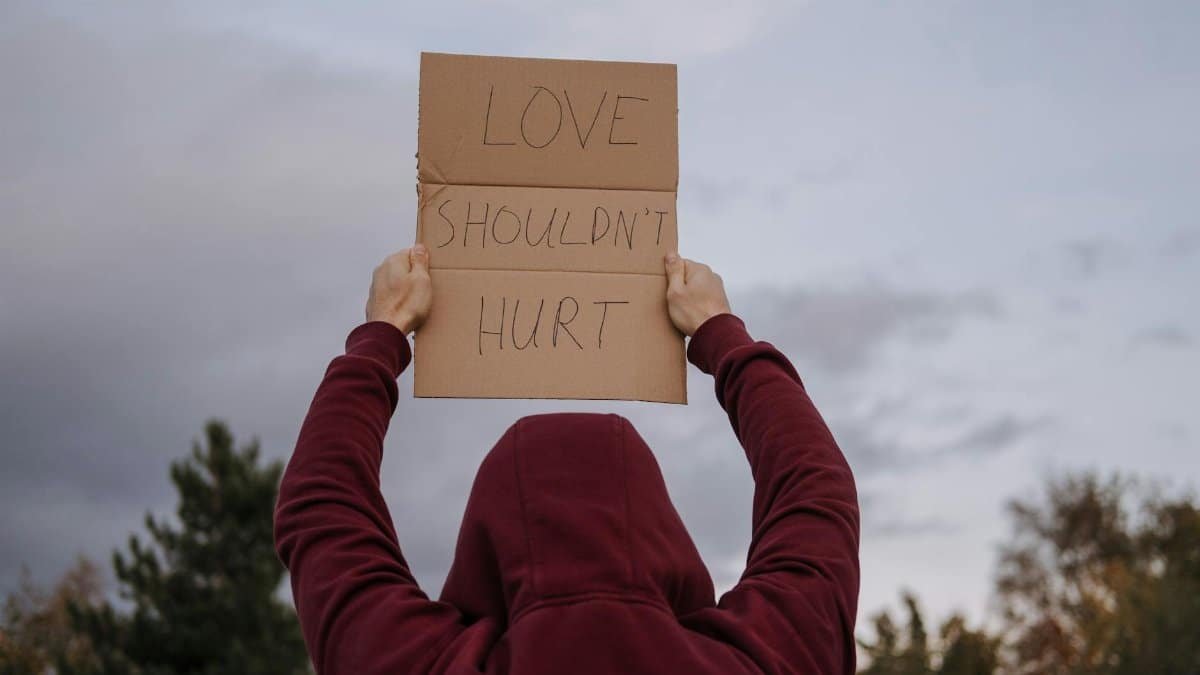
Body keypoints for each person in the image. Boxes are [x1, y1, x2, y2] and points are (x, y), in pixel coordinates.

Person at [274, 244, 860, 674]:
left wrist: (383, 332)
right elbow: (815, 496)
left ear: (486, 547)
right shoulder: (766, 660)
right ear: (660, 533)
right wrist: (722, 335)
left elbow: (324, 511)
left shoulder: (418, 664)